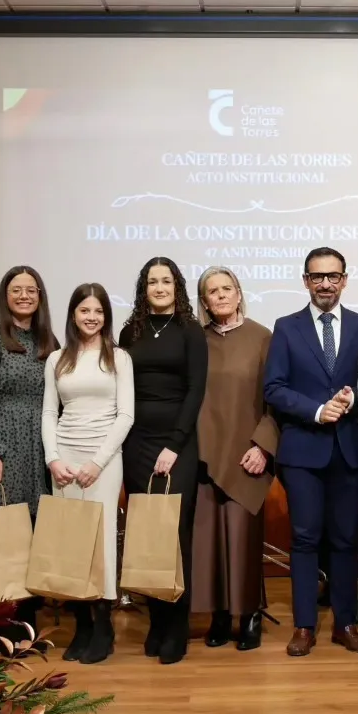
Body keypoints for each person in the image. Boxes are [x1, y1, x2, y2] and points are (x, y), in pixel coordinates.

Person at [263, 247, 358, 657]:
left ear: (344, 280)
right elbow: (273, 388)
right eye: (317, 277)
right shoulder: (286, 327)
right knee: (305, 539)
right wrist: (315, 410)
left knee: (347, 541)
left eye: (333, 276)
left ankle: (346, 623)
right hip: (303, 454)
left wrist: (352, 399)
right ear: (305, 281)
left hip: (350, 451)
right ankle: (305, 626)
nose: (325, 283)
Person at [119, 257, 208, 665]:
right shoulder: (129, 330)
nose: (159, 287)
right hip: (136, 442)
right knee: (146, 534)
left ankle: (177, 628)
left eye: (166, 280)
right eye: (152, 281)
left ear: (177, 286)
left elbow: (195, 390)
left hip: (178, 444)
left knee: (174, 532)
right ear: (144, 287)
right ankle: (156, 621)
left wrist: (175, 443)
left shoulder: (191, 329)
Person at [43, 283, 133, 664]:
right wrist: (53, 459)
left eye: (98, 311)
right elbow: (50, 412)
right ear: (73, 315)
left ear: (106, 317)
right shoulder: (57, 359)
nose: (91, 317)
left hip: (104, 461)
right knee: (72, 544)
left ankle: (103, 627)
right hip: (64, 458)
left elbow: (126, 414)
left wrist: (98, 461)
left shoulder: (120, 358)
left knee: (101, 541)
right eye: (84, 311)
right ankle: (80, 624)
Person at [193, 267, 279, 652]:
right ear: (204, 300)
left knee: (242, 541)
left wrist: (262, 446)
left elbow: (275, 399)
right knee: (208, 542)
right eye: (213, 291)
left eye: (227, 288)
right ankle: (219, 615)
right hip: (204, 452)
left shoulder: (263, 337)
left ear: (240, 293)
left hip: (248, 454)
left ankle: (249, 615)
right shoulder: (196, 340)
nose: (221, 295)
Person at [0, 265, 59, 519]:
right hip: (5, 447)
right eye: (16, 290)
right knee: (3, 528)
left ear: (40, 296)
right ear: (5, 296)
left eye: (31, 290)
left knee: (41, 526)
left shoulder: (50, 342)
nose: (24, 296)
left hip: (41, 447)